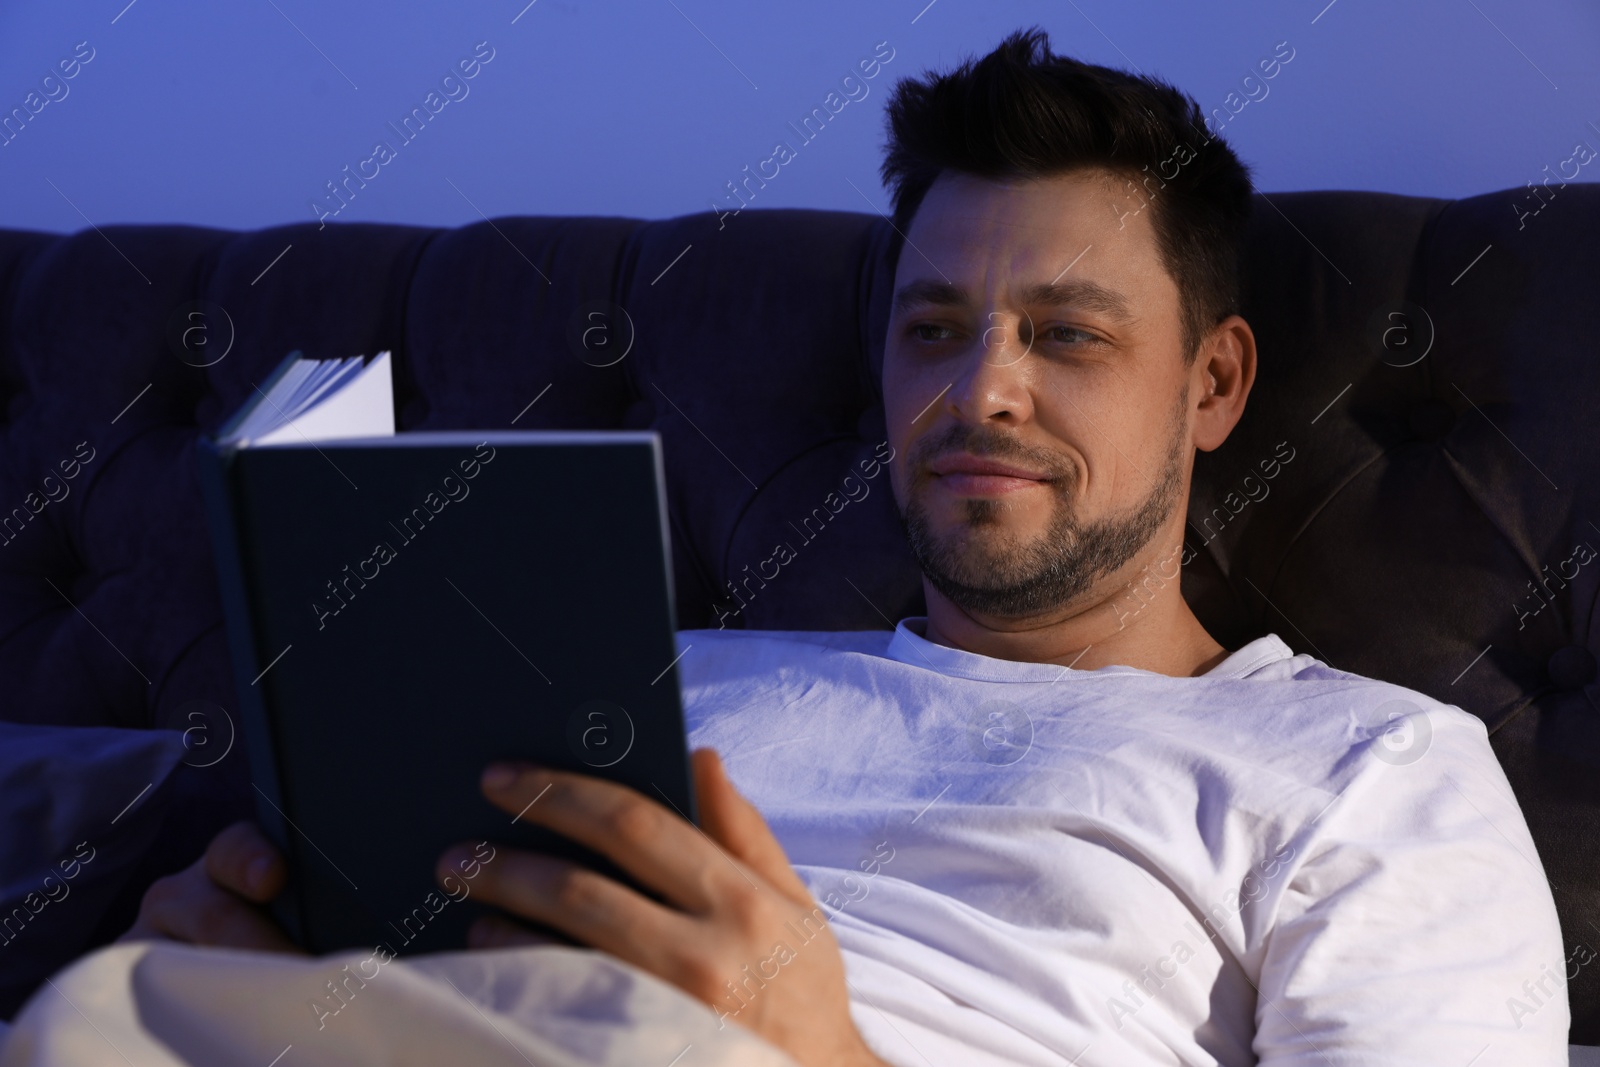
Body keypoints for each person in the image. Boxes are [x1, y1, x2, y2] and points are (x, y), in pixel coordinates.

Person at [115, 26, 1568, 1067]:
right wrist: (242, 971)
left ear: (1213, 385)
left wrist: (823, 1054)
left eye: (1068, 334)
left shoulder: (1373, 771)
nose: (978, 388)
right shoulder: (649, 675)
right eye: (932, 329)